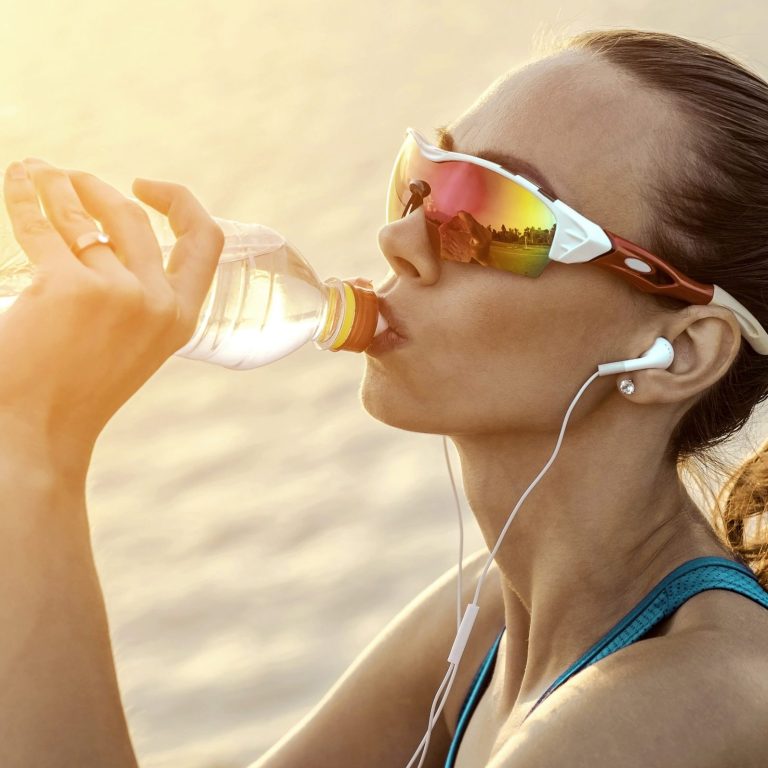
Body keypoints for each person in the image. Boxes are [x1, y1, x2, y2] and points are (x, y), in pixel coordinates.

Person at [2, 26, 768, 768]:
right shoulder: (489, 615)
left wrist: (36, 446)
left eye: (492, 213)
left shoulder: (692, 699)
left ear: (680, 353)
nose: (400, 238)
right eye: (421, 182)